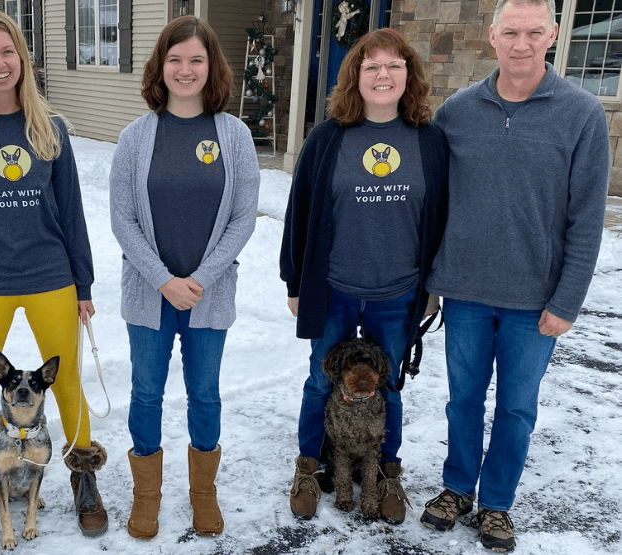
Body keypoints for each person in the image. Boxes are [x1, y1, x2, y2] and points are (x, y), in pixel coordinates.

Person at [418, 1, 610, 552]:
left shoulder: (581, 114)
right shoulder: (457, 111)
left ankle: (496, 501)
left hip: (535, 299)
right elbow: (433, 200)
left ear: (552, 34)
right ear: (492, 36)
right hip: (467, 292)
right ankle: (457, 487)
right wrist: (430, 281)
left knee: (517, 406)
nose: (521, 44)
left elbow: (586, 219)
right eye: (510, 33)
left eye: (532, 32)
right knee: (463, 399)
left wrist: (567, 300)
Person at [0, 11, 107, 551]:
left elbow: (72, 211)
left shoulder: (49, 128)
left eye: (7, 52)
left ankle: (84, 483)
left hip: (50, 274)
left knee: (68, 383)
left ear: (21, 59)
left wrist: (84, 284)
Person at [280, 28, 449, 525]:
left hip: (398, 291)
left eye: (394, 65)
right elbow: (300, 212)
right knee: (319, 380)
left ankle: (387, 474)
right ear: (356, 75)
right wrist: (295, 282)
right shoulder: (329, 138)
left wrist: (432, 286)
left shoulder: (429, 142)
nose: (383, 75)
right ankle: (310, 467)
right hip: (333, 287)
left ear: (409, 75)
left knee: (389, 384)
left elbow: (441, 217)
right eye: (371, 65)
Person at [109, 15, 260, 539]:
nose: (185, 69)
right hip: (149, 296)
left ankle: (203, 494)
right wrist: (162, 280)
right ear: (161, 66)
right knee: (146, 394)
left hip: (210, 296)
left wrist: (200, 277)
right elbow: (122, 219)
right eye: (175, 59)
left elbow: (244, 216)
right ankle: (145, 496)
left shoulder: (234, 135)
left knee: (205, 394)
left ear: (211, 66)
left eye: (196, 59)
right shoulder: (135, 136)